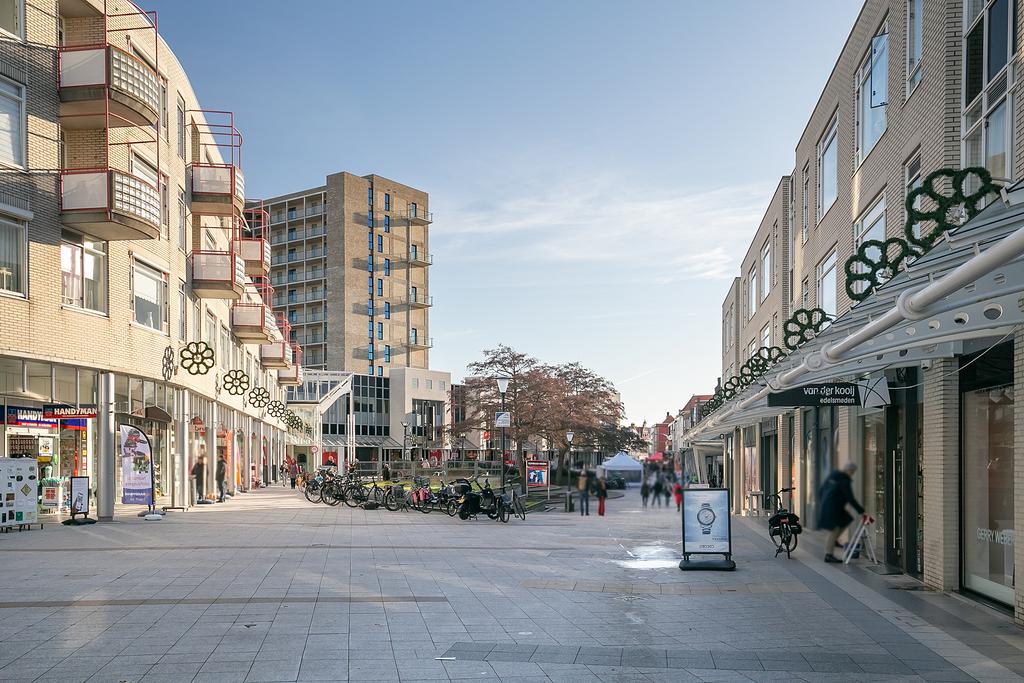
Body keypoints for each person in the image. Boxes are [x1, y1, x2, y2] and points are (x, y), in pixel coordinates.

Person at [818, 462, 866, 563]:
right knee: (834, 529)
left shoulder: (833, 476)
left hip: (829, 505)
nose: (853, 473)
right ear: (850, 470)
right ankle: (829, 554)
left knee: (846, 519)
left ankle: (834, 541)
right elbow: (850, 498)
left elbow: (821, 490)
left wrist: (824, 502)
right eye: (853, 471)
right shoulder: (844, 480)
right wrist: (861, 511)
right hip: (833, 507)